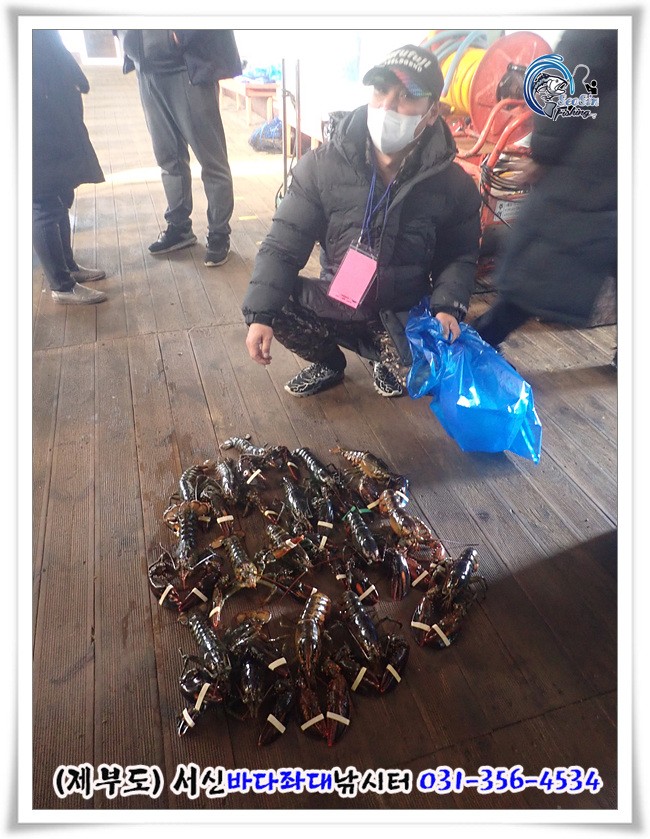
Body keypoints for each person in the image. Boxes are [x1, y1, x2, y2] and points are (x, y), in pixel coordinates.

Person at [242, 44, 481, 398]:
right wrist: (260, 315)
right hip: (338, 300)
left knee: (423, 382)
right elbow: (282, 245)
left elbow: (459, 256)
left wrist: (448, 306)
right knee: (271, 302)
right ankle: (329, 362)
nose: (388, 105)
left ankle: (383, 358)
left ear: (433, 112)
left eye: (407, 96)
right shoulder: (320, 167)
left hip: (400, 313)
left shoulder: (454, 186)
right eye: (381, 90)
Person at [470, 29, 617, 353]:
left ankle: (474, 346)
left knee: (536, 271)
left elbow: (565, 81)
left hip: (589, 171)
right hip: (610, 168)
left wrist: (543, 152)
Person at [114, 30, 242, 266]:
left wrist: (180, 33)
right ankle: (179, 227)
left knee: (211, 157)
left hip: (185, 66)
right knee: (167, 156)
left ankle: (219, 232)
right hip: (145, 67)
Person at [32, 29, 107, 305]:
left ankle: (68, 266)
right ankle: (61, 285)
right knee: (43, 201)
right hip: (35, 117)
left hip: (52, 109)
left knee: (60, 193)